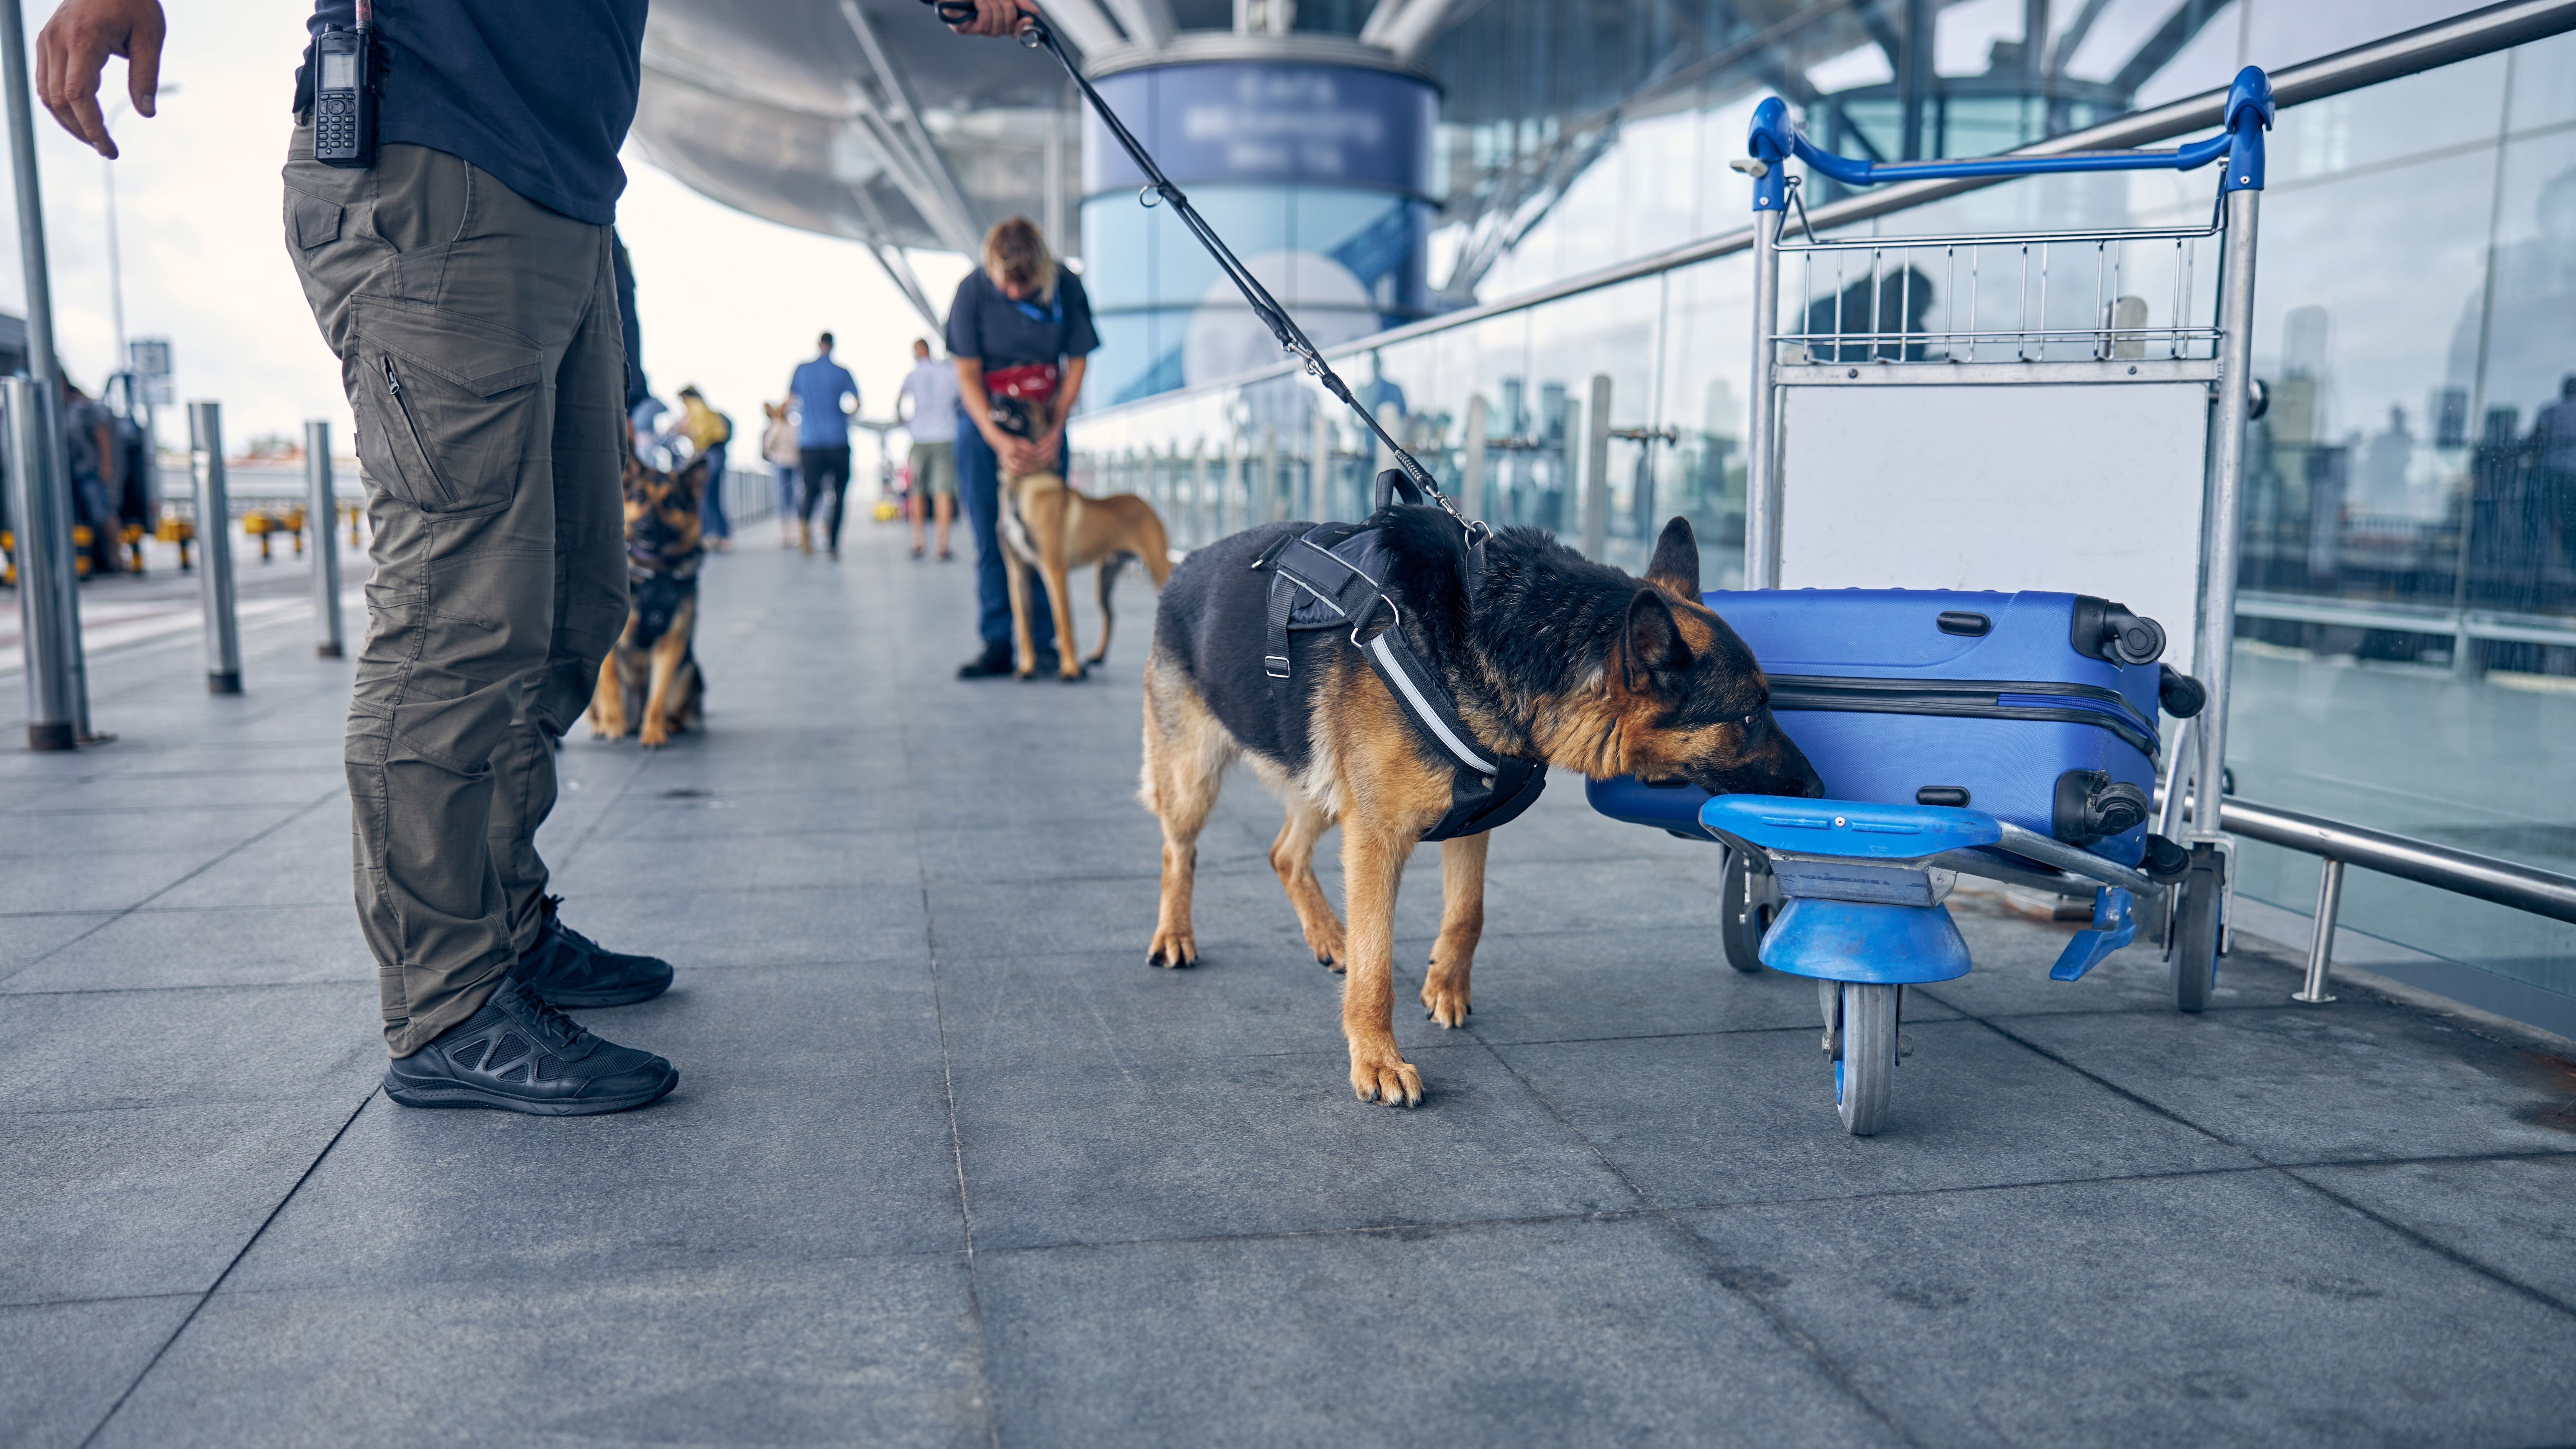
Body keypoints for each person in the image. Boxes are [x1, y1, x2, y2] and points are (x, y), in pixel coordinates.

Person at [41, 0, 683, 1114]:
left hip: (564, 190)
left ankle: (507, 926)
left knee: (576, 599)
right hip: (436, 159)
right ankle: (448, 1002)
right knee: (459, 612)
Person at [948, 217, 1096, 678]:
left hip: (1043, 423)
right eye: (1005, 285)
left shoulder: (1066, 286)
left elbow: (1076, 362)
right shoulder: (971, 291)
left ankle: (1047, 643)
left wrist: (1057, 425)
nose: (1014, 294)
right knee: (992, 535)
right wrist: (997, 441)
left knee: (1046, 541)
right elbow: (967, 374)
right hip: (984, 427)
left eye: (1025, 285)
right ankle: (998, 640)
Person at [788, 332, 859, 559]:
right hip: (838, 440)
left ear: (819, 345)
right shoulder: (842, 372)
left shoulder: (802, 370)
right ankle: (833, 544)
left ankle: (804, 531)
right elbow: (856, 404)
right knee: (839, 493)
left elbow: (790, 401)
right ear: (834, 346)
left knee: (811, 490)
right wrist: (841, 415)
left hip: (810, 442)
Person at [896, 337, 960, 561]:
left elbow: (899, 405)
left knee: (917, 491)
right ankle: (942, 545)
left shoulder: (913, 376)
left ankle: (918, 541)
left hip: (920, 437)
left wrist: (908, 423)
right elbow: (961, 401)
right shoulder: (948, 373)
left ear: (916, 352)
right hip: (945, 436)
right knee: (944, 491)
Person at [676, 385, 733, 552]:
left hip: (709, 452)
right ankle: (723, 537)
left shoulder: (695, 407)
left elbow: (700, 432)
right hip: (719, 452)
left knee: (705, 495)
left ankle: (708, 536)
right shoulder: (706, 408)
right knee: (714, 496)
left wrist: (686, 433)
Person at [761, 399, 802, 548]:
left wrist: (774, 454)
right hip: (795, 463)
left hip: (782, 464)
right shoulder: (795, 427)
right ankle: (797, 533)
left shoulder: (776, 426)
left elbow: (768, 446)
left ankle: (787, 534)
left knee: (785, 499)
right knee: (797, 498)